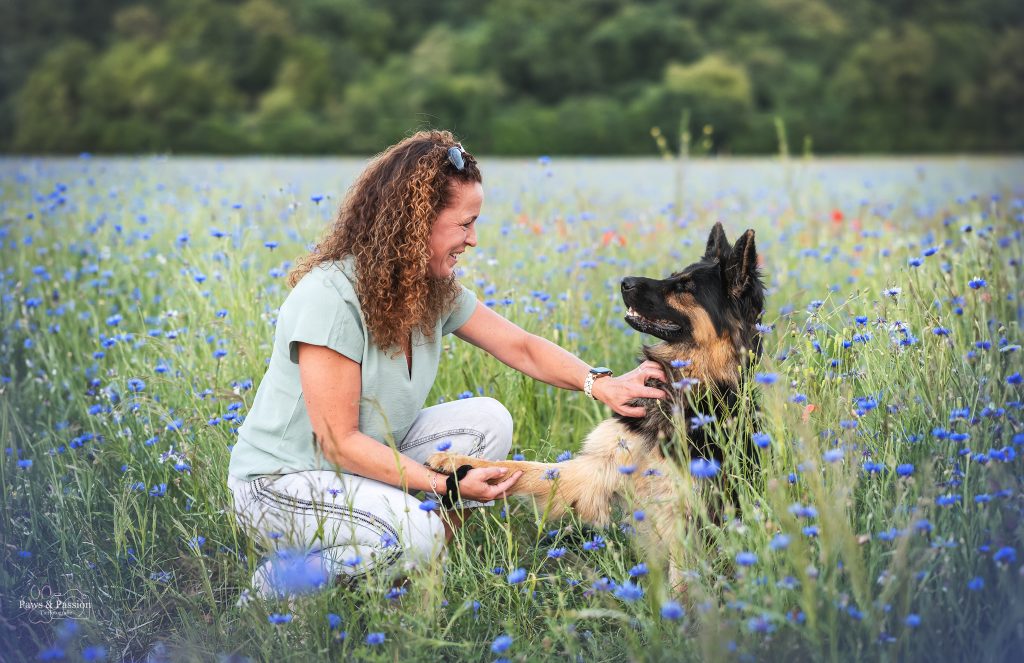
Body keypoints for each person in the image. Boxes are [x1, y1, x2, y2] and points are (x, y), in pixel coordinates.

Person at [225, 129, 668, 598]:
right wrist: (450, 485)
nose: (473, 240)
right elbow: (339, 443)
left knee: (487, 421)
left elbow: (520, 346)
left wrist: (600, 383)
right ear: (416, 223)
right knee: (412, 533)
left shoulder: (431, 290)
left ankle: (411, 575)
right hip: (280, 485)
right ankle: (278, 586)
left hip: (357, 466)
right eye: (464, 224)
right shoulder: (331, 297)